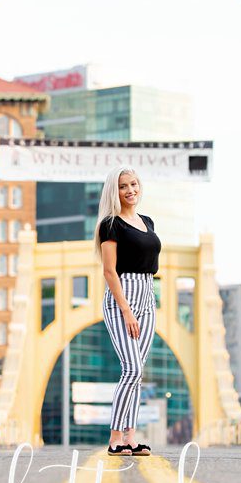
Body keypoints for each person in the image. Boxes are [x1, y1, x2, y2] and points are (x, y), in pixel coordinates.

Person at [96, 166, 161, 457]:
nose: (130, 190)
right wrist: (126, 310)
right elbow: (110, 271)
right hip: (122, 298)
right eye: (123, 186)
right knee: (131, 369)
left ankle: (130, 438)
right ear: (115, 190)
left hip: (147, 297)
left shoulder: (147, 221)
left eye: (134, 184)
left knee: (138, 373)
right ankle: (114, 439)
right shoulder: (110, 224)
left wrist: (143, 307)